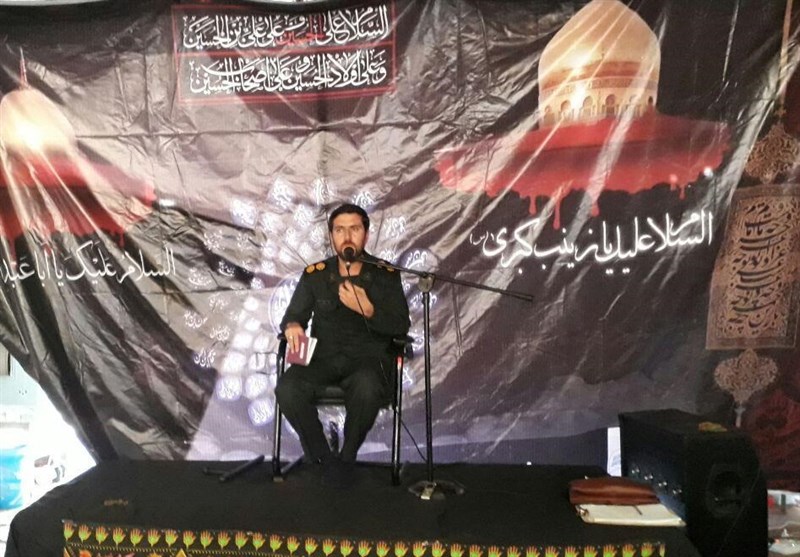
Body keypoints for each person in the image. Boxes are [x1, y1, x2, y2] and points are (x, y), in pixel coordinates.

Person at [275, 203, 410, 467]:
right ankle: (321, 456)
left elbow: (400, 325)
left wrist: (369, 310)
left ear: (366, 235)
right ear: (331, 236)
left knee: (367, 387)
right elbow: (293, 316)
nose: (347, 237)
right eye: (339, 230)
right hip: (322, 359)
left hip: (367, 361)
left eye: (354, 229)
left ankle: (348, 456)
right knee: (287, 389)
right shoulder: (315, 275)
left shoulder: (385, 275)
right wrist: (292, 325)